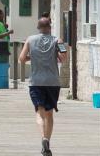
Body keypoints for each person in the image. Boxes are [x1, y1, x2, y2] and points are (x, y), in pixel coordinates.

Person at [19, 18, 67, 156]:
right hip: (52, 82)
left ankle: (43, 138)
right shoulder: (58, 40)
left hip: (36, 82)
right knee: (49, 113)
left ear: (38, 27)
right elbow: (63, 58)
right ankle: (47, 139)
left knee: (39, 112)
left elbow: (22, 59)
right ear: (49, 27)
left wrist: (32, 58)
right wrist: (56, 55)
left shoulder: (30, 40)